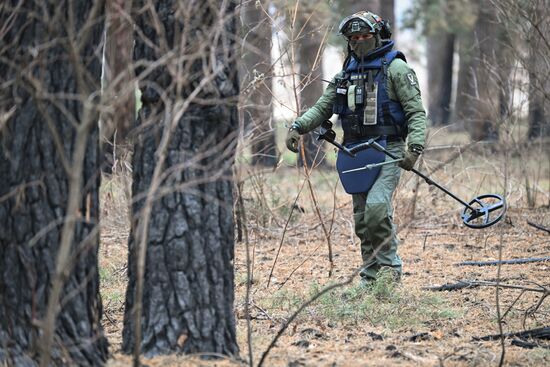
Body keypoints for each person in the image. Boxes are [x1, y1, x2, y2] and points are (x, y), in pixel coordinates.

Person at [285, 11, 427, 284]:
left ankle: (390, 273)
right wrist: (298, 127)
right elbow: (322, 107)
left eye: (365, 36)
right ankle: (371, 277)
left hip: (389, 150)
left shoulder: (396, 69)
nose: (359, 41)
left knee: (376, 208)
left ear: (378, 36)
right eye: (354, 38)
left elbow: (416, 113)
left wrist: (415, 147)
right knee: (362, 219)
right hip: (354, 152)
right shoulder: (345, 75)